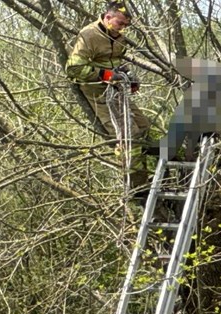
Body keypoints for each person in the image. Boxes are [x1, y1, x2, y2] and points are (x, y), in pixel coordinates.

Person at [65, 2, 154, 194]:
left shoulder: (119, 38)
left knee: (144, 126)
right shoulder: (89, 35)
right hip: (97, 90)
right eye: (119, 23)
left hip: (116, 88)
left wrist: (129, 78)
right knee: (128, 136)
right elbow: (73, 69)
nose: (122, 28)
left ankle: (143, 175)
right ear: (107, 17)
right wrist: (104, 76)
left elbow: (116, 65)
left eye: (125, 25)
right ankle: (136, 188)